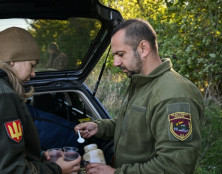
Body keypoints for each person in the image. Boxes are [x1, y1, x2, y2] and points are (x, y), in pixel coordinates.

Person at [75, 18, 204, 174]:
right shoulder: (141, 82)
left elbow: (175, 167)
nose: (115, 62)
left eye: (120, 54)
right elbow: (135, 123)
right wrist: (100, 127)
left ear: (143, 48)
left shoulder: (175, 95)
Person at [0, 27, 81, 174]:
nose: (34, 73)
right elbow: (10, 170)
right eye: (32, 65)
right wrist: (57, 169)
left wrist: (39, 156)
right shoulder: (1, 97)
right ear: (13, 61)